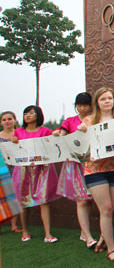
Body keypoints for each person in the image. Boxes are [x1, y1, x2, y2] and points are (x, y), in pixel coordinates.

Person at [77, 87, 114, 262]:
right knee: (105, 209)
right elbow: (81, 145)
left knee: (113, 208)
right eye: (103, 99)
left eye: (110, 98)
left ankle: (103, 237)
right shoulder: (89, 120)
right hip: (95, 169)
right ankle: (111, 249)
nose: (107, 101)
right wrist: (82, 130)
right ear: (97, 103)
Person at [52, 92, 96, 248]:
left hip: (91, 163)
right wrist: (57, 133)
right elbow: (61, 133)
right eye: (79, 105)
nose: (82, 108)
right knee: (82, 199)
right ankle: (88, 236)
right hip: (75, 164)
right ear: (75, 106)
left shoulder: (94, 119)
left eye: (85, 104)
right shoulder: (69, 121)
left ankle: (84, 232)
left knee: (89, 199)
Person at [11, 105, 59, 243]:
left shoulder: (45, 131)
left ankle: (48, 234)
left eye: (31, 113)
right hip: (23, 169)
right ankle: (25, 231)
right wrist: (14, 142)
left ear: (38, 115)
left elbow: (52, 144)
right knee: (23, 201)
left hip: (42, 168)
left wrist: (55, 135)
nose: (27, 115)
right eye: (25, 113)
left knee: (44, 200)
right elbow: (14, 150)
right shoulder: (18, 132)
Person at [0, 111, 22, 233]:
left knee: (15, 197)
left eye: (10, 119)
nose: (7, 121)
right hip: (1, 169)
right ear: (1, 122)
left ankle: (14, 225)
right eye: (4, 119)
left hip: (16, 169)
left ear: (14, 120)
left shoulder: (19, 135)